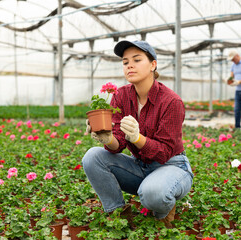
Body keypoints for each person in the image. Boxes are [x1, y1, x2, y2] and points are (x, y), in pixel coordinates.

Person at [82, 40, 193, 229]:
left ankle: (163, 211)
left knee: (153, 194)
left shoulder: (171, 101)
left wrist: (137, 138)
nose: (129, 65)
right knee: (93, 156)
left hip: (171, 166)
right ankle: (118, 214)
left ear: (153, 65)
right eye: (125, 62)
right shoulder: (121, 95)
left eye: (137, 60)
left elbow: (164, 153)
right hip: (140, 166)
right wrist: (108, 138)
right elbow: (118, 144)